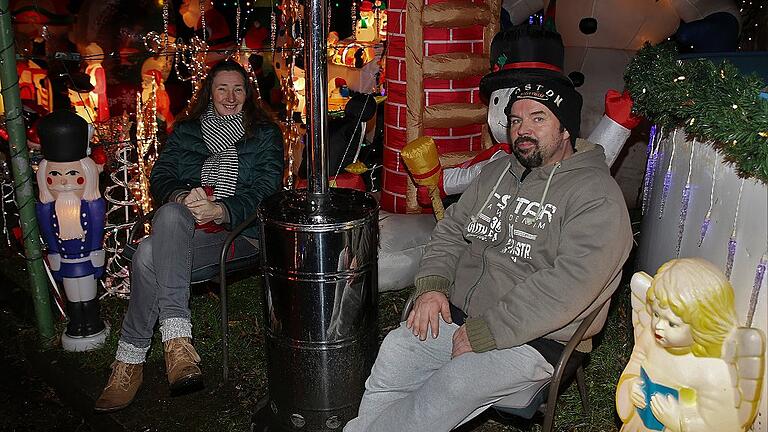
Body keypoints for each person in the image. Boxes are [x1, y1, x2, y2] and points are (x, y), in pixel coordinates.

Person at [344, 76, 633, 431]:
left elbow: (568, 285)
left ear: (565, 130)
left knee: (452, 386)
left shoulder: (596, 196)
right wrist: (433, 285)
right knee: (396, 351)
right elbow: (450, 229)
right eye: (515, 120)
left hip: (536, 338)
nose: (522, 130)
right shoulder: (499, 171)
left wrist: (488, 331)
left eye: (538, 118)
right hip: (462, 314)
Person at [95, 60, 284, 412]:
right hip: (183, 225)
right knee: (169, 213)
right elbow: (162, 176)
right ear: (209, 92)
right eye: (222, 88)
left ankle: (129, 363)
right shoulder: (185, 131)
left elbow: (266, 188)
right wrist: (183, 197)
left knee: (148, 256)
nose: (230, 96)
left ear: (249, 94)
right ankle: (178, 344)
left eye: (238, 89)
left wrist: (222, 210)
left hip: (239, 232)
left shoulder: (264, 133)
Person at [616, 258, 764, 432]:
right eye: (656, 314)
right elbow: (635, 364)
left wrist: (679, 420)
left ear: (701, 325)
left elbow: (724, 423)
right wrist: (631, 386)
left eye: (672, 324)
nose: (658, 326)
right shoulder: (651, 338)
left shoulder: (713, 368)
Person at [35, 110, 108, 349]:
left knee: (87, 293)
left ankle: (91, 321)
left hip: (86, 259)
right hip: (65, 260)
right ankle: (76, 323)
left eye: (73, 175)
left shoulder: (92, 206)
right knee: (73, 295)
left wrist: (97, 254)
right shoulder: (47, 209)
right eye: (54, 176)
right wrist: (54, 254)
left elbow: (96, 232)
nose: (64, 182)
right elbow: (48, 233)